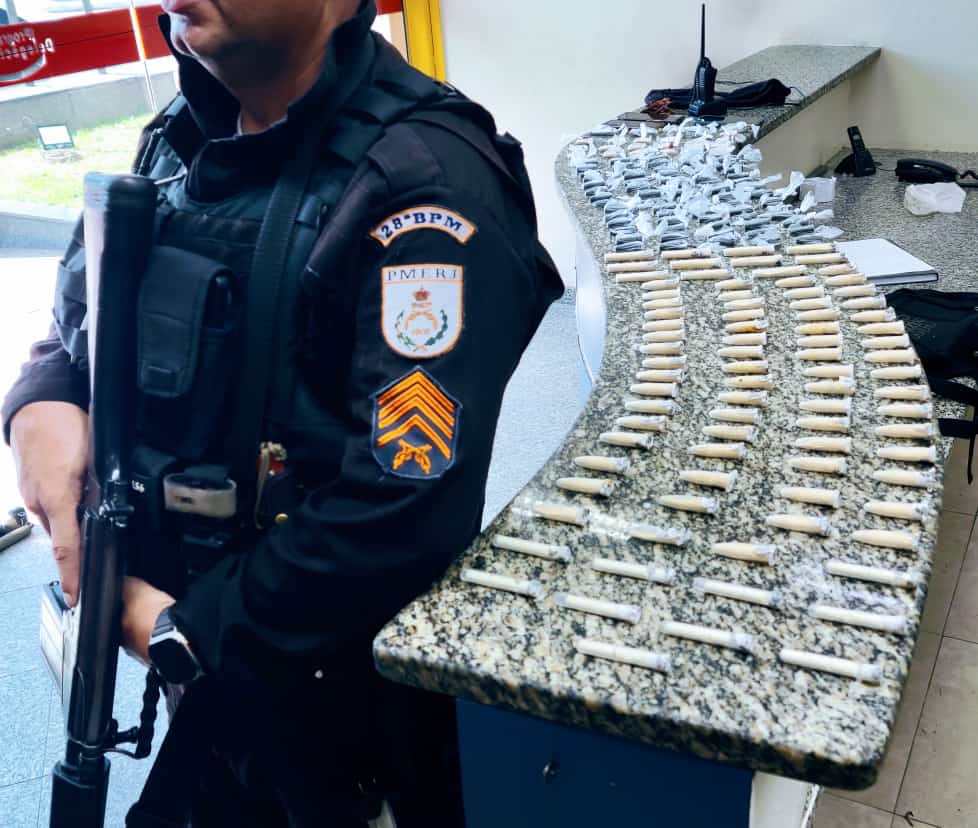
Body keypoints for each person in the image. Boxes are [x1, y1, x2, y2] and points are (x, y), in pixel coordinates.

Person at [2, 1, 562, 825]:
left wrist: (179, 632)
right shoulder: (181, 136)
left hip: (340, 715)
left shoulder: (426, 186)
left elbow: (401, 511)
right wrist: (40, 397)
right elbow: (84, 315)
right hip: (214, 687)